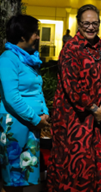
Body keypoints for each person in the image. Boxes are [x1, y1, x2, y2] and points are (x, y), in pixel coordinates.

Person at [47, 4, 101, 191]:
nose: (91, 27)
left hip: (94, 118)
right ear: (78, 24)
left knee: (93, 162)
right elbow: (72, 87)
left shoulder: (98, 47)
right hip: (73, 119)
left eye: (95, 23)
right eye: (86, 23)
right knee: (75, 165)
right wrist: (93, 108)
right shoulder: (70, 49)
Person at [0, 14, 50, 191]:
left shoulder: (28, 59)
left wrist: (44, 112)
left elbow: (37, 89)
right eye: (35, 32)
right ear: (22, 36)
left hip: (31, 126)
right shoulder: (8, 59)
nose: (37, 36)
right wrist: (36, 120)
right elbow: (12, 97)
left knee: (28, 180)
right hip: (15, 125)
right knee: (14, 180)